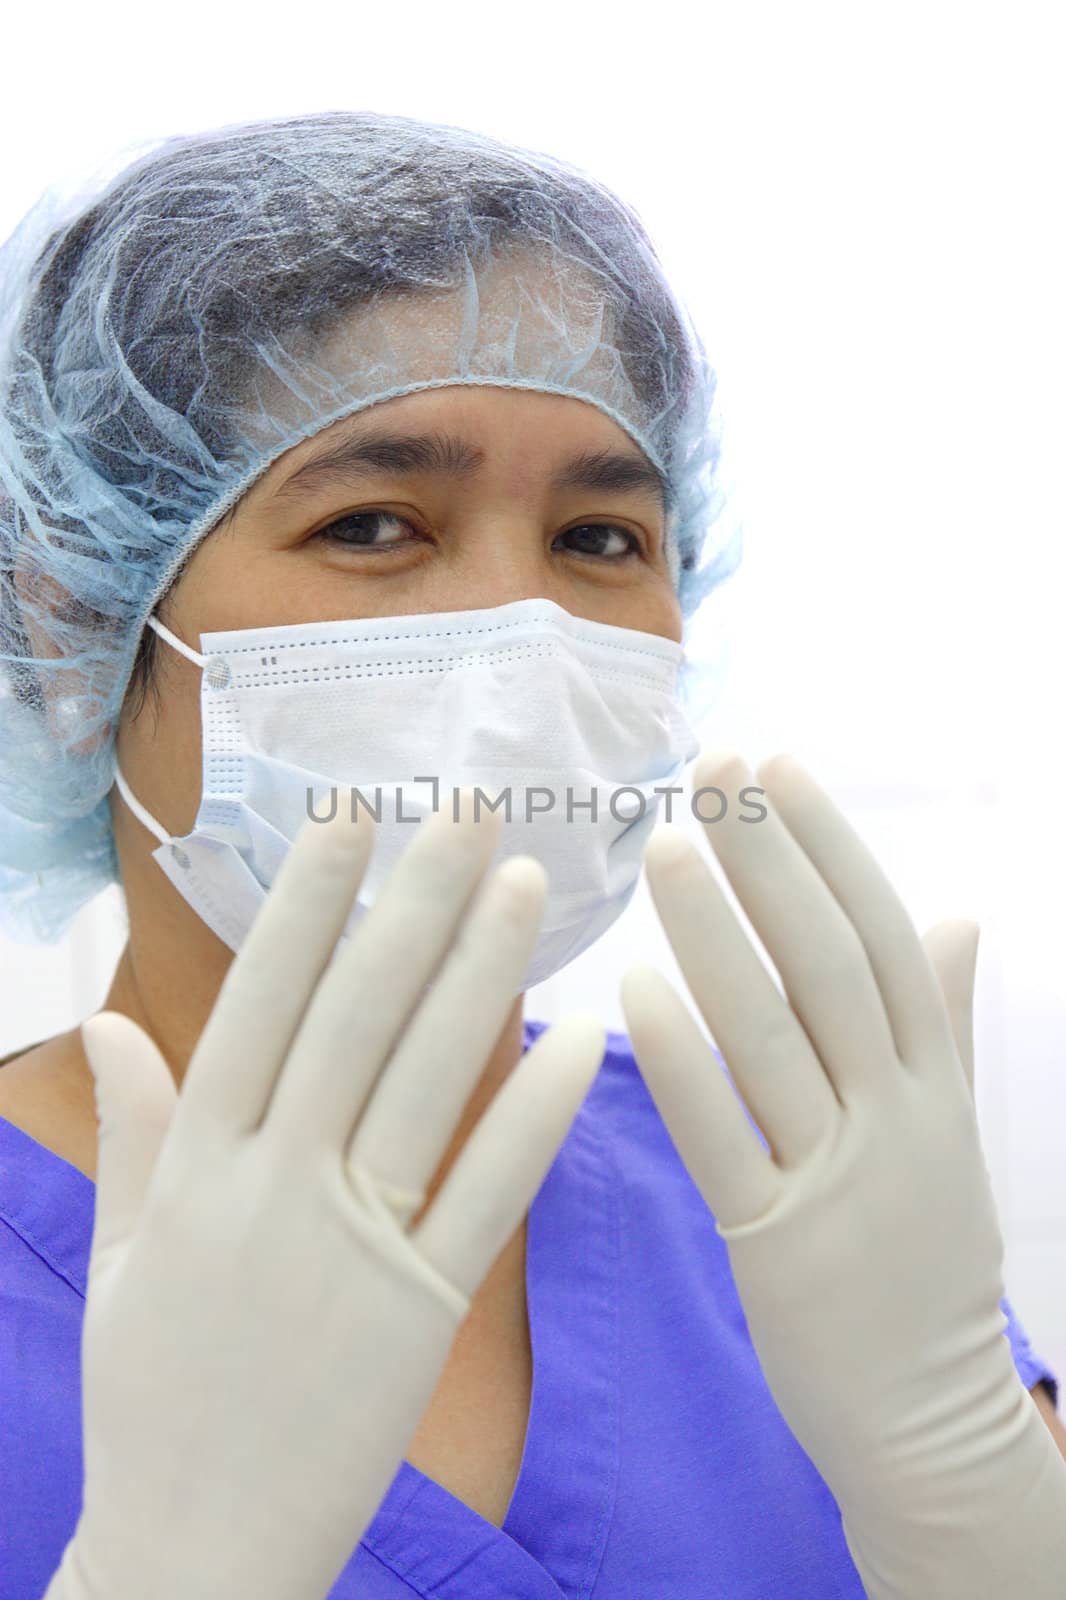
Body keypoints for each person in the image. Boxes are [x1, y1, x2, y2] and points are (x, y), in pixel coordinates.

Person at [0, 109, 1063, 1600]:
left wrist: (971, 1492)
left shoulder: (799, 1204)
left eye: (599, 540)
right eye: (372, 522)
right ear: (74, 626)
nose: (525, 638)